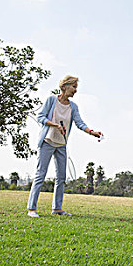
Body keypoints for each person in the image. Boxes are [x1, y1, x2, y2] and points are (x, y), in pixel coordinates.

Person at [27, 75, 103, 217]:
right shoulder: (52, 100)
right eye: (73, 87)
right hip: (47, 141)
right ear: (65, 86)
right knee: (40, 175)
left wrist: (92, 132)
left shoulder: (73, 107)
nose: (75, 90)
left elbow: (79, 123)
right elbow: (40, 117)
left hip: (61, 144)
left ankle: (57, 208)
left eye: (76, 87)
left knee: (61, 177)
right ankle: (32, 208)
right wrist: (55, 125)